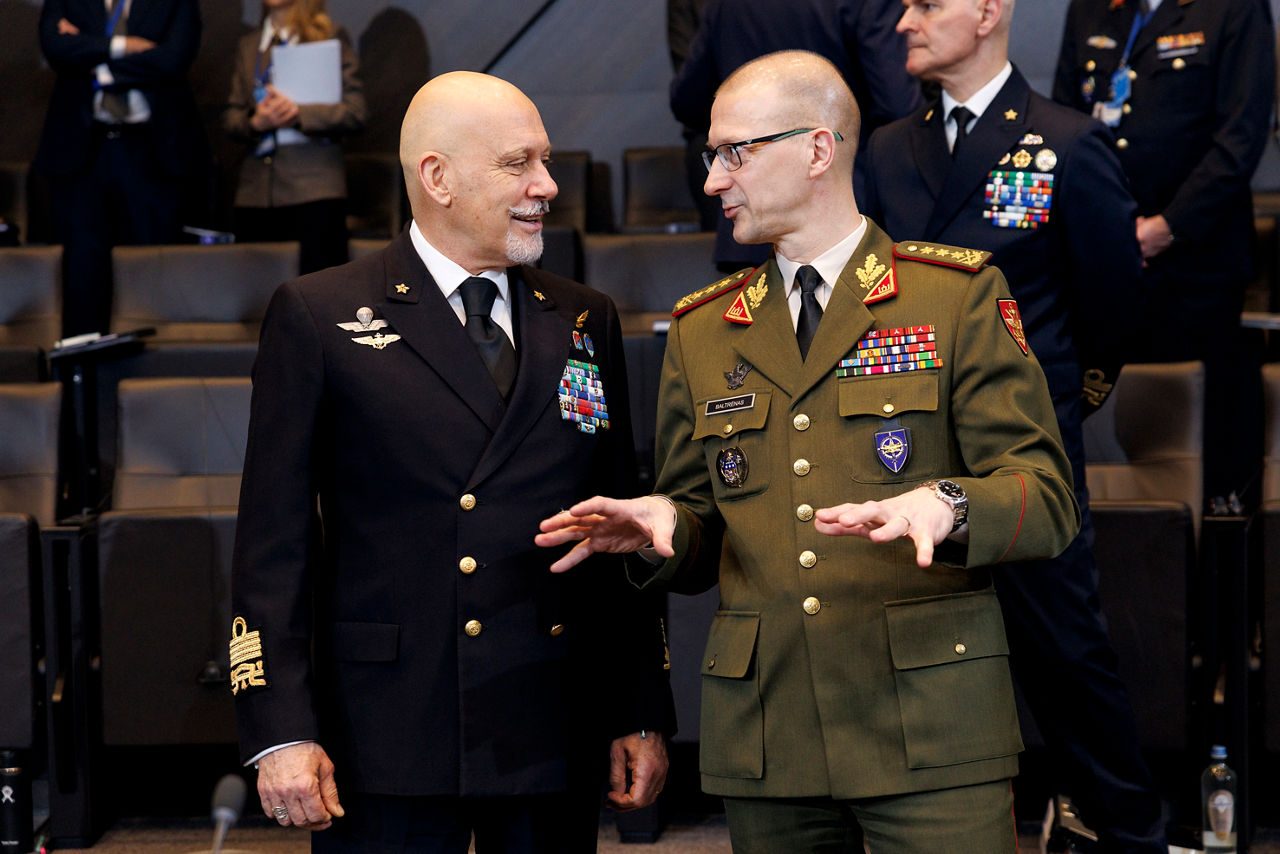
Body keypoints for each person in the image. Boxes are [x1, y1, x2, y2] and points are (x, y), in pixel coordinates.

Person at [538, 50, 1079, 853]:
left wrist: (951, 503)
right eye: (710, 155)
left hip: (931, 730)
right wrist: (661, 529)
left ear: (818, 150)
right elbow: (699, 530)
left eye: (735, 152)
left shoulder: (953, 295)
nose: (714, 179)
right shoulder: (702, 328)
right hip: (771, 734)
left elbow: (1047, 499)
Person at [230, 71, 674, 853]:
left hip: (548, 719)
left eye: (543, 160)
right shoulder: (320, 313)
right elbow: (273, 548)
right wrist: (279, 730)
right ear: (436, 177)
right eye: (518, 164)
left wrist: (638, 707)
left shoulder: (583, 316)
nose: (547, 185)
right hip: (388, 728)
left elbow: (619, 534)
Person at [862, 1, 1165, 850]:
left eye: (926, 4)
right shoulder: (886, 149)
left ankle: (1128, 827)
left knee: (1065, 649)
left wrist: (1059, 403)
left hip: (1021, 444)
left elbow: (1111, 305)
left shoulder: (1064, 142)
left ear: (989, 11)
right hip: (907, 437)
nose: (905, 23)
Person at [1054, 0, 1276, 510]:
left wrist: (1165, 227)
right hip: (1099, 262)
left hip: (1194, 267)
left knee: (1195, 441)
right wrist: (1093, 227)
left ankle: (1205, 562)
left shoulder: (1234, 10)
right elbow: (1062, 122)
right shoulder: (1090, 9)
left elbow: (1239, 138)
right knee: (1096, 428)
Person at [669, 0, 922, 271]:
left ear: (820, 148)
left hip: (754, 242)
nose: (712, 184)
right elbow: (898, 107)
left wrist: (739, 129)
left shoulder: (724, 6)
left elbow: (687, 101)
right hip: (853, 212)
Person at [34, 0, 204, 336]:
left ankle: (150, 379)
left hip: (151, 153)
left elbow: (173, 57)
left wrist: (100, 68)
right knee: (82, 277)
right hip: (82, 156)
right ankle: (81, 380)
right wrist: (124, 45)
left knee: (150, 269)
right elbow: (56, 48)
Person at [223, 0, 366, 275]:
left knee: (316, 295)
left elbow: (355, 112)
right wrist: (255, 121)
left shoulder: (328, 36)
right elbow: (231, 117)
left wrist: (298, 114)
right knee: (258, 294)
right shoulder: (249, 44)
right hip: (255, 194)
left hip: (314, 191)